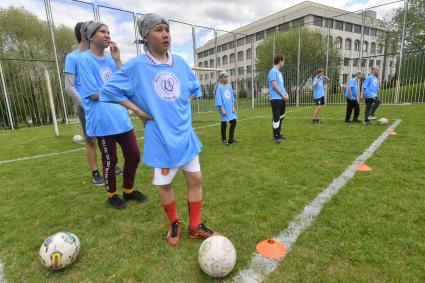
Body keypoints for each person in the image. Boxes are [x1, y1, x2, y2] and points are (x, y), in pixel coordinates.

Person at [101, 14, 219, 246]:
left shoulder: (181, 63)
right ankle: (174, 222)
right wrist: (140, 111)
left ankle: (195, 226)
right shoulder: (137, 66)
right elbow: (110, 90)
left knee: (196, 178)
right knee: (164, 185)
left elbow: (194, 88)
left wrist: (182, 101)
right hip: (162, 139)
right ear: (146, 36)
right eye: (158, 30)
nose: (165, 34)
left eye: (167, 29)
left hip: (184, 134)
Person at [78, 21, 148, 209]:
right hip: (102, 120)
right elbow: (93, 94)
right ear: (91, 37)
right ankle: (112, 195)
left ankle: (128, 190)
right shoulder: (83, 60)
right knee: (111, 160)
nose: (107, 35)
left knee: (133, 155)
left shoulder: (111, 58)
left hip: (120, 117)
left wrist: (117, 59)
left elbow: (125, 82)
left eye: (109, 31)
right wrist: (118, 95)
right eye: (102, 31)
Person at [64, 22, 104, 186]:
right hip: (86, 106)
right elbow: (69, 87)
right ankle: (95, 173)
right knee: (90, 139)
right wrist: (86, 105)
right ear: (84, 35)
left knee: (106, 136)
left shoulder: (94, 56)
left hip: (101, 103)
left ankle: (110, 165)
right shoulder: (72, 57)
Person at [268, 54, 289, 143]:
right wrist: (282, 95)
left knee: (281, 116)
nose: (284, 63)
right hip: (276, 98)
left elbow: (281, 86)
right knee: (276, 117)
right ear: (280, 61)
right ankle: (276, 136)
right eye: (283, 61)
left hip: (281, 98)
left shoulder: (279, 73)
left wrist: (286, 94)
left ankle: (279, 133)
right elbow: (274, 85)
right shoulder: (273, 71)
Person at [215, 71, 238, 145]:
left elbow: (231, 98)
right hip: (223, 108)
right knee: (224, 122)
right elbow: (219, 99)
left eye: (227, 77)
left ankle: (231, 139)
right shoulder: (219, 87)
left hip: (230, 107)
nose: (226, 78)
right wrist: (222, 109)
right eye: (224, 77)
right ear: (221, 78)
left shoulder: (229, 86)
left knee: (233, 122)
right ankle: (224, 140)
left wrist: (233, 107)